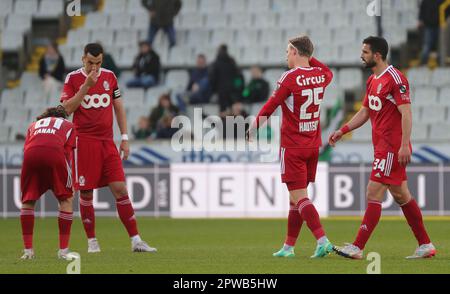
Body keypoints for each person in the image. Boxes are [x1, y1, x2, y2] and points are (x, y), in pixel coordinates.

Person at [329, 36, 435, 259]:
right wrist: (343, 130)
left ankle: (357, 247)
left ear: (377, 55)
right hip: (381, 146)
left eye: (365, 52)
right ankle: (425, 244)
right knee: (401, 195)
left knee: (373, 192)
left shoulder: (395, 79)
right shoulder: (372, 80)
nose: (361, 55)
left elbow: (406, 112)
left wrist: (404, 144)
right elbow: (366, 111)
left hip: (392, 147)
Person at [60, 43, 156, 253]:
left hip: (107, 142)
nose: (95, 67)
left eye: (98, 63)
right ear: (82, 59)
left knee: (120, 188)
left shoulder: (110, 77)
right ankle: (92, 242)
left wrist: (124, 137)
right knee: (86, 193)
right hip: (83, 142)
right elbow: (66, 109)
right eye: (90, 62)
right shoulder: (73, 79)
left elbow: (118, 107)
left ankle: (136, 240)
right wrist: (85, 86)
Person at [246, 36, 334, 258]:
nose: (286, 55)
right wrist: (308, 56)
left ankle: (323, 240)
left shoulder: (289, 78)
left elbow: (271, 105)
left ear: (295, 51)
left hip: (293, 147)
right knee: (294, 198)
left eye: (288, 51)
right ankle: (288, 247)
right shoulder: (322, 75)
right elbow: (325, 70)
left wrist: (254, 126)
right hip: (313, 145)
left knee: (301, 197)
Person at [19, 106, 76, 260]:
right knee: (66, 199)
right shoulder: (69, 125)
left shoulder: (33, 126)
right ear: (64, 116)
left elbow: (26, 149)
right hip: (54, 153)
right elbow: (67, 154)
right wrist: (71, 183)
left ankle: (28, 251)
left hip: (30, 156)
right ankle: (63, 251)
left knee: (28, 201)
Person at [209, 44, 242, 112]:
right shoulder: (232, 62)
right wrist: (238, 89)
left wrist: (214, 90)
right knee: (233, 113)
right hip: (232, 92)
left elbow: (212, 79)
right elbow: (238, 77)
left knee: (223, 113)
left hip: (221, 92)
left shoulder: (216, 63)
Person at [418, 0, 444, 65]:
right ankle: (423, 63)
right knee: (427, 45)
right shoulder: (426, 1)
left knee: (440, 46)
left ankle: (441, 63)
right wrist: (420, 20)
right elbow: (422, 10)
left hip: (440, 25)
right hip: (429, 26)